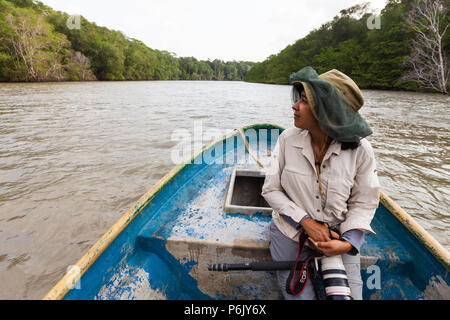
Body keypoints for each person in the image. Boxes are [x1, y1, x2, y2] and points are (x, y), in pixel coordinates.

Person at [261, 66, 380, 300]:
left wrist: (347, 243)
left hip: (338, 237)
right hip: (290, 233)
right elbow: (271, 189)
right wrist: (306, 222)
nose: (294, 106)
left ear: (325, 112)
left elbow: (364, 202)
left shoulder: (361, 150)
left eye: (304, 102)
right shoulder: (287, 139)